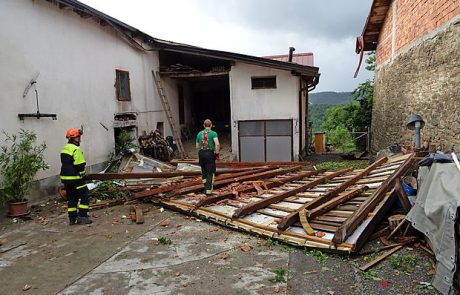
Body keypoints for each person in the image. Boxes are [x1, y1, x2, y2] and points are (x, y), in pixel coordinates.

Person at [60, 128, 92, 225]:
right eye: (79, 137)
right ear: (75, 138)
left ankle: (72, 219)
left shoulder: (64, 148)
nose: (80, 139)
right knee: (85, 195)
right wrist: (83, 176)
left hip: (65, 179)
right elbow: (80, 165)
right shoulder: (76, 149)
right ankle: (82, 216)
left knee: (71, 198)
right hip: (75, 178)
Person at [196, 119, 220, 196]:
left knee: (204, 171)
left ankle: (205, 186)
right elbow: (217, 144)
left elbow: (196, 146)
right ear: (211, 125)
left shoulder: (199, 133)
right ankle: (208, 191)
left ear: (204, 125)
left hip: (201, 153)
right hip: (209, 154)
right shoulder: (213, 133)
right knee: (210, 172)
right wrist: (216, 153)